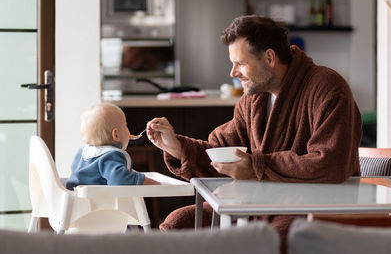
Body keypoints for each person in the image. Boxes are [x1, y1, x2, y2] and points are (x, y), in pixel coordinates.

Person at [146, 15, 362, 252]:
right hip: (258, 207)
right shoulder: (253, 101)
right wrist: (176, 146)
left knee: (271, 238)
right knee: (180, 222)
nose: (232, 72)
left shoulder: (327, 88)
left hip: (312, 208)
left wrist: (256, 166)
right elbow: (224, 150)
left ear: (269, 57)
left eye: (240, 63)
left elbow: (331, 163)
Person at [66, 102, 159, 190]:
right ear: (116, 135)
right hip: (98, 202)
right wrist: (147, 182)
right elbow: (120, 179)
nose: (128, 129)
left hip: (76, 199)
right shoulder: (111, 156)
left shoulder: (82, 152)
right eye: (125, 126)